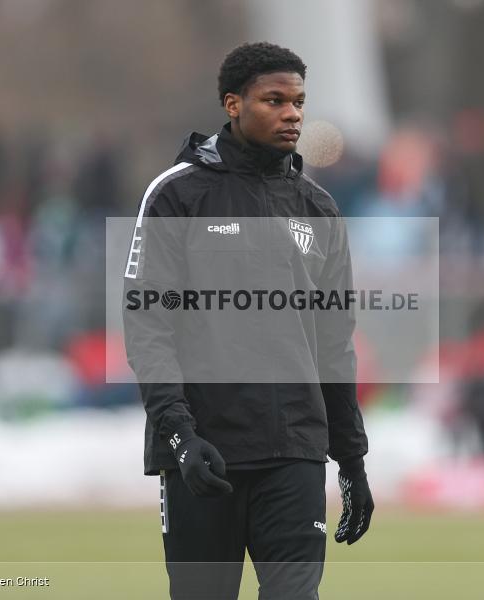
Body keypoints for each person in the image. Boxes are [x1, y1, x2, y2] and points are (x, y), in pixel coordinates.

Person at [123, 42, 372, 599]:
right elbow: (148, 328)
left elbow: (334, 343)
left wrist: (351, 459)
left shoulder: (318, 208)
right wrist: (180, 436)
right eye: (274, 100)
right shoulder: (177, 194)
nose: (292, 114)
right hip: (204, 454)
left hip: (294, 454)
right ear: (233, 104)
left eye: (299, 102)